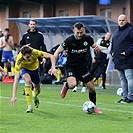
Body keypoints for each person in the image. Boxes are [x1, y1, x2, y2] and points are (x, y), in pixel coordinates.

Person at [54, 22, 102, 114]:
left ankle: (93, 106)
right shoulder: (69, 40)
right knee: (73, 84)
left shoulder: (88, 39)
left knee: (91, 88)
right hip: (71, 66)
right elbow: (56, 52)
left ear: (84, 31)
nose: (79, 35)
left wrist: (97, 49)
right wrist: (53, 66)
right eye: (77, 33)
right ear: (74, 31)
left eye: (81, 32)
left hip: (83, 67)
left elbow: (95, 47)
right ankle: (66, 85)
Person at [9, 45, 57, 113]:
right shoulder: (19, 61)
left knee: (37, 89)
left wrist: (53, 67)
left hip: (35, 69)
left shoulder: (35, 52)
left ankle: (34, 95)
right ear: (22, 55)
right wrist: (14, 96)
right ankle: (29, 106)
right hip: (25, 69)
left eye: (31, 55)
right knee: (28, 80)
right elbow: (16, 79)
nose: (30, 58)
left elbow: (51, 56)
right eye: (28, 57)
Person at [20, 19, 47, 94]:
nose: (32, 26)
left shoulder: (40, 35)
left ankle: (33, 88)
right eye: (31, 24)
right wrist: (24, 46)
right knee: (27, 74)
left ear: (36, 25)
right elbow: (21, 46)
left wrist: (44, 57)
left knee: (35, 75)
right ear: (29, 25)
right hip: (27, 59)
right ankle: (27, 88)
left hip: (36, 59)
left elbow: (43, 46)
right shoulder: (25, 36)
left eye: (34, 24)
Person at [111, 14, 133, 103]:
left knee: (129, 78)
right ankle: (124, 97)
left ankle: (131, 97)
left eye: (123, 20)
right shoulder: (116, 32)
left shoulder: (130, 30)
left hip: (128, 59)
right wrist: (112, 52)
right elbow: (113, 44)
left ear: (126, 21)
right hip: (118, 59)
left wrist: (126, 52)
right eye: (119, 20)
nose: (121, 22)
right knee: (123, 79)